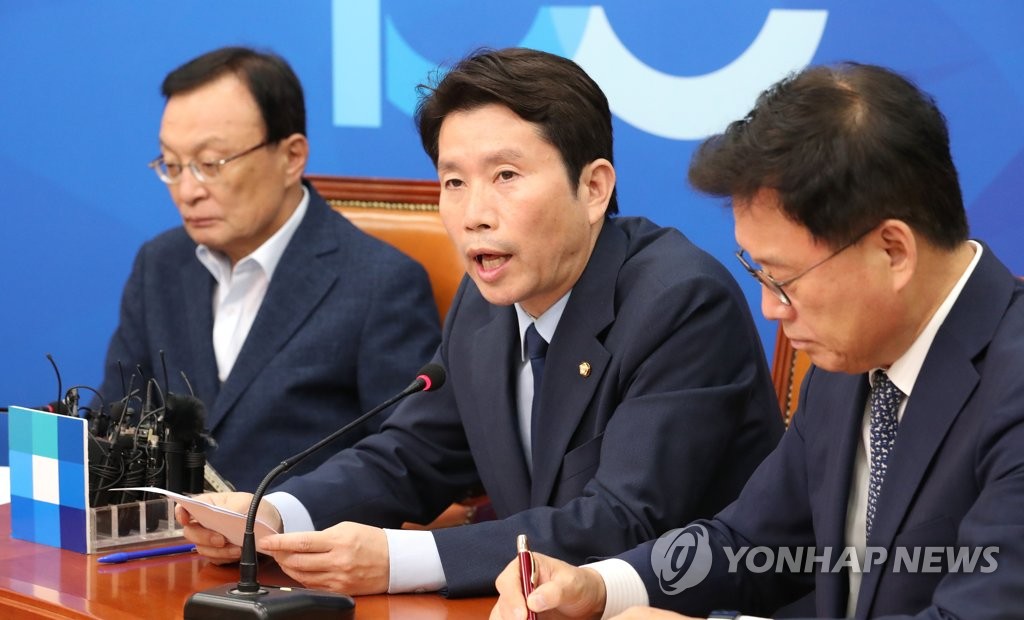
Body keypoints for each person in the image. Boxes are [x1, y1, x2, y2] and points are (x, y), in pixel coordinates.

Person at [176, 47, 782, 598]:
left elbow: (625, 521)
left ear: (594, 187)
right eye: (453, 182)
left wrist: (398, 559)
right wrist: (274, 515)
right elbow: (412, 454)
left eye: (505, 177)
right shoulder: (485, 300)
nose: (473, 215)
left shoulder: (680, 302)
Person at [491, 61, 1024, 620]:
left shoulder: (1009, 385)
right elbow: (751, 543)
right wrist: (601, 586)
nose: (771, 308)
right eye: (758, 274)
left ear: (893, 251)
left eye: (783, 278)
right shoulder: (851, 361)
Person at [93, 46, 441, 491]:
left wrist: (284, 512)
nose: (187, 190)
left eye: (210, 164)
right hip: (161, 531)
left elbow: (410, 459)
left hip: (297, 532)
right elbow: (117, 417)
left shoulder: (380, 283)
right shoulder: (159, 264)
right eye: (173, 165)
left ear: (292, 156)